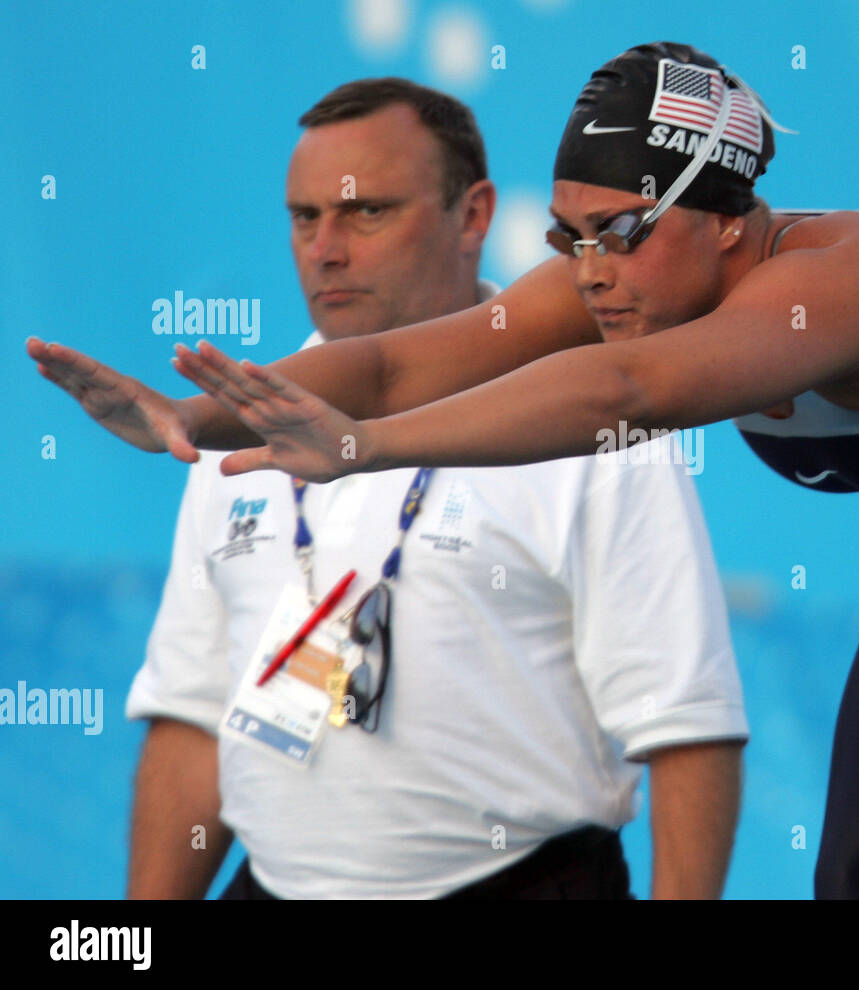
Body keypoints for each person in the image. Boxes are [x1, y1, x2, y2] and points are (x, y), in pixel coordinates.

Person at [29, 41, 859, 899]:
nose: (589, 272)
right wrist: (193, 420)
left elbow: (625, 400)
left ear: (727, 219)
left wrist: (356, 451)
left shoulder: (835, 286)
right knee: (857, 876)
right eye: (567, 238)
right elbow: (417, 364)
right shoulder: (627, 279)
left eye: (618, 235)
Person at [115, 76, 749, 900]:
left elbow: (687, 724)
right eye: (305, 218)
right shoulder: (240, 422)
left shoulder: (590, 419)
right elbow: (195, 716)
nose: (326, 247)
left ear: (475, 215)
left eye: (366, 211)